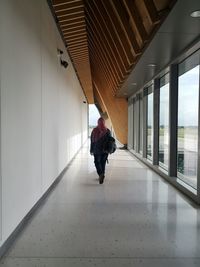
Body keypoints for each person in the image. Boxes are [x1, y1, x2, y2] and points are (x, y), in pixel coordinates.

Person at [90, 117, 111, 184]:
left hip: (96, 150)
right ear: (104, 123)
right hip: (105, 150)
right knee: (103, 162)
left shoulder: (94, 130)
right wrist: (109, 149)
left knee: (97, 162)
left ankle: (100, 174)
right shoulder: (107, 131)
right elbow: (111, 141)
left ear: (98, 123)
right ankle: (102, 175)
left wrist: (91, 149)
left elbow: (92, 141)